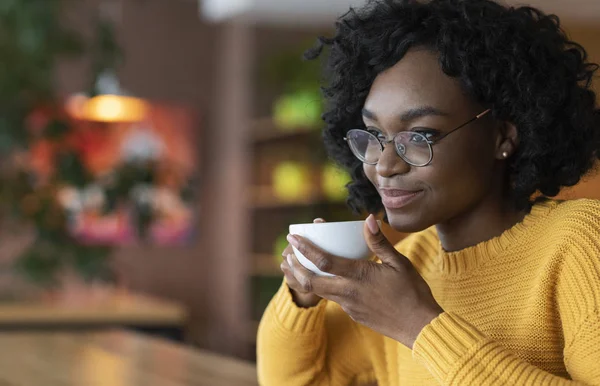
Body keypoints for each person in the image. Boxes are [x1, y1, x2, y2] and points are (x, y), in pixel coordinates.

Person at [257, 0, 600, 384]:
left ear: (504, 135)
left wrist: (417, 323)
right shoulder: (408, 263)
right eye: (373, 135)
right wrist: (303, 293)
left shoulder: (580, 241)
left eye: (420, 135)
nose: (384, 164)